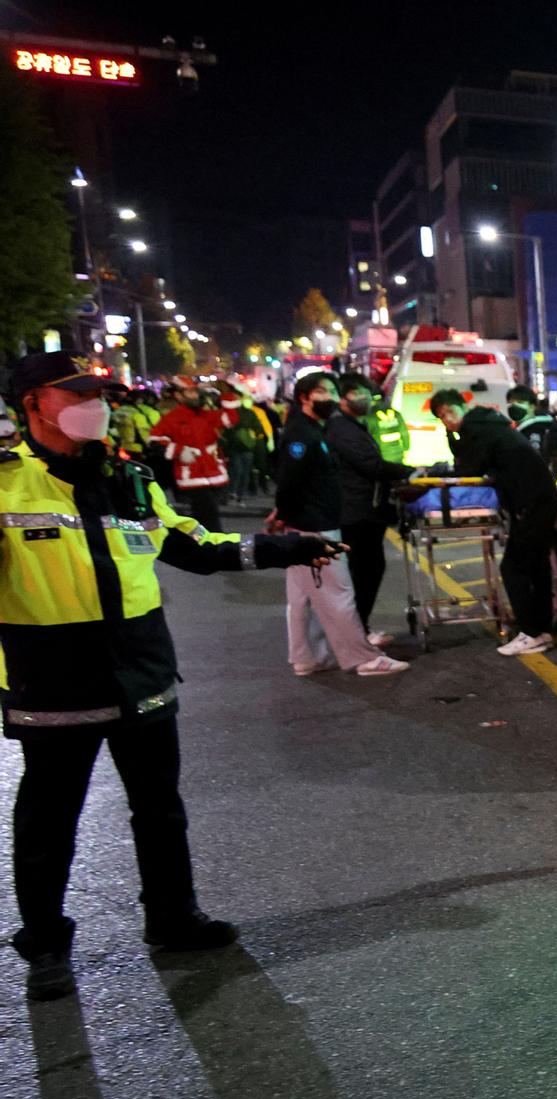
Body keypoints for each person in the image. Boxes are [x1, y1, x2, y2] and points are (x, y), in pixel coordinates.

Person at [3, 351, 344, 1002]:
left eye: (98, 393)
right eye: (75, 394)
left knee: (159, 809)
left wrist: (287, 546)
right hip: (52, 679)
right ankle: (45, 942)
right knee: (49, 821)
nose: (93, 405)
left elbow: (192, 545)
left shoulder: (128, 478)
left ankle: (173, 917)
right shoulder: (5, 485)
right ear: (33, 405)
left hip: (142, 669)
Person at [272, 372, 410, 678]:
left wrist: (281, 514)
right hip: (315, 524)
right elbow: (289, 480)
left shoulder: (309, 430)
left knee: (302, 598)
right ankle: (362, 658)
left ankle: (308, 657)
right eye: (322, 392)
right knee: (339, 593)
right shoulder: (303, 436)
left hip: (304, 523)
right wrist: (283, 512)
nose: (330, 398)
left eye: (333, 391)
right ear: (303, 397)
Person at [428, 389, 557, 656]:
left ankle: (530, 633)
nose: (448, 420)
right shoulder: (487, 422)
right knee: (536, 566)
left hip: (532, 500)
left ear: (462, 406)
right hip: (540, 496)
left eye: (449, 412)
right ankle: (541, 631)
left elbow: (468, 469)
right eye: (442, 418)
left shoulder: (478, 429)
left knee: (513, 567)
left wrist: (441, 466)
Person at [328, 373, 414, 647]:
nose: (368, 400)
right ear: (346, 397)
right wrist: (409, 472)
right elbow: (370, 465)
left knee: (368, 569)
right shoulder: (342, 428)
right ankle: (355, 634)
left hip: (365, 509)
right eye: (362, 394)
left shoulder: (353, 425)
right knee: (364, 571)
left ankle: (357, 630)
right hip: (357, 511)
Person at [149, 375, 231, 530]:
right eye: (190, 392)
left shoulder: (205, 414)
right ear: (178, 395)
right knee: (209, 518)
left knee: (204, 518)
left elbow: (230, 419)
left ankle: (202, 547)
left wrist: (229, 394)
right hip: (192, 475)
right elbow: (155, 441)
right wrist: (179, 451)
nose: (195, 395)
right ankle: (215, 547)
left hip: (212, 472)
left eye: (195, 391)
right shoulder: (172, 418)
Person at [505, 384, 557, 471]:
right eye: (511, 403)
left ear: (532, 406)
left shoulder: (538, 429)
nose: (514, 406)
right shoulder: (516, 430)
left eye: (520, 402)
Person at [365, 381, 413, 466]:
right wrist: (406, 447)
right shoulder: (395, 413)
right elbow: (404, 433)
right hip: (398, 454)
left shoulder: (369, 416)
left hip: (383, 456)